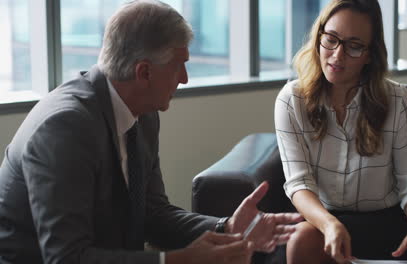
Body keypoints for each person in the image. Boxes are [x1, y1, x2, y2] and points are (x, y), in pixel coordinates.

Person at [0, 1, 302, 263]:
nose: (184, 79)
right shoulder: (65, 128)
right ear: (144, 72)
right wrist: (179, 261)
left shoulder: (142, 114)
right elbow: (65, 258)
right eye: (179, 66)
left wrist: (227, 227)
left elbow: (153, 215)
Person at [274, 0, 407, 264]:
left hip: (384, 223)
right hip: (322, 219)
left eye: (354, 46)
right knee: (303, 239)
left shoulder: (398, 101)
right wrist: (329, 224)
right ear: (319, 37)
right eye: (332, 39)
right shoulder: (292, 100)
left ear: (370, 54)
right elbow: (298, 184)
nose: (337, 55)